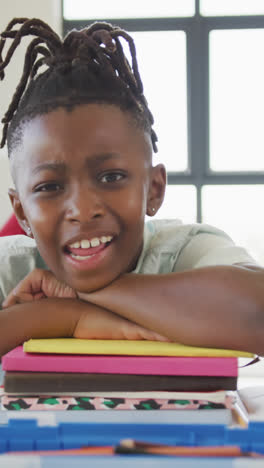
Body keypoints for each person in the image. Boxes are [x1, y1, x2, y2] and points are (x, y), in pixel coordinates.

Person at [0, 18, 263, 358]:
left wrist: (76, 295)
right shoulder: (12, 268)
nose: (82, 209)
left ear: (154, 189)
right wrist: (68, 316)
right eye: (50, 186)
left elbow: (256, 313)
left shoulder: (185, 251)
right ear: (21, 213)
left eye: (111, 177)